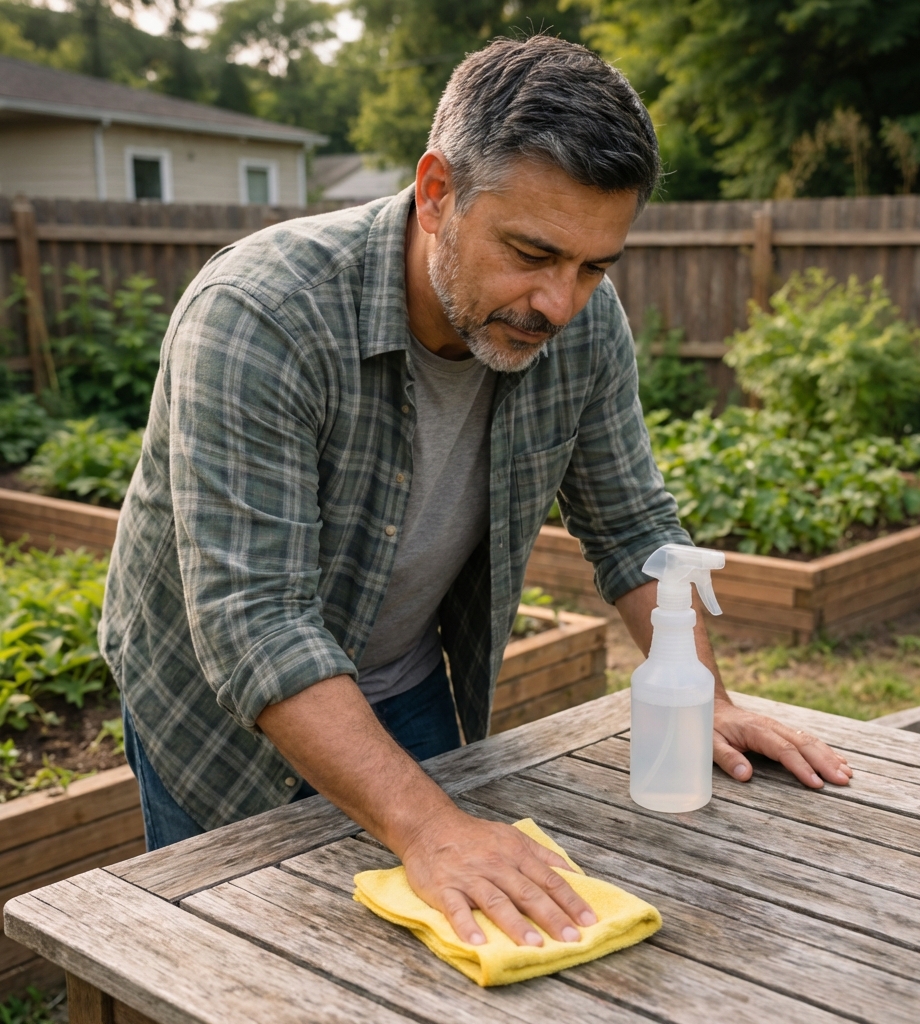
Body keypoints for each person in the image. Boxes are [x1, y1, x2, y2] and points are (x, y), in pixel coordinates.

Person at [101, 34, 852, 952]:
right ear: (435, 192)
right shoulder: (261, 313)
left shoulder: (581, 322)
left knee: (426, 957)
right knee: (227, 964)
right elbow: (253, 620)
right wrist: (430, 825)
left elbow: (633, 525)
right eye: (532, 252)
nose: (559, 304)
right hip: (214, 713)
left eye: (594, 266)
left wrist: (706, 697)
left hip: (406, 680)